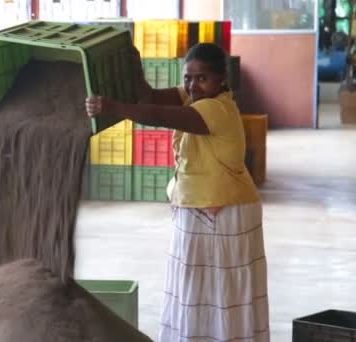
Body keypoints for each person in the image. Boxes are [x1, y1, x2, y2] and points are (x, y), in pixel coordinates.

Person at [85, 43, 269, 342]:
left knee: (222, 294)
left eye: (201, 78)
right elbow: (150, 98)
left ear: (222, 79)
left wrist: (115, 108)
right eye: (188, 78)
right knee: (195, 291)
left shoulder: (215, 108)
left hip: (225, 212)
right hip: (200, 206)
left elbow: (157, 115)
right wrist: (134, 67)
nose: (192, 85)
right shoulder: (195, 97)